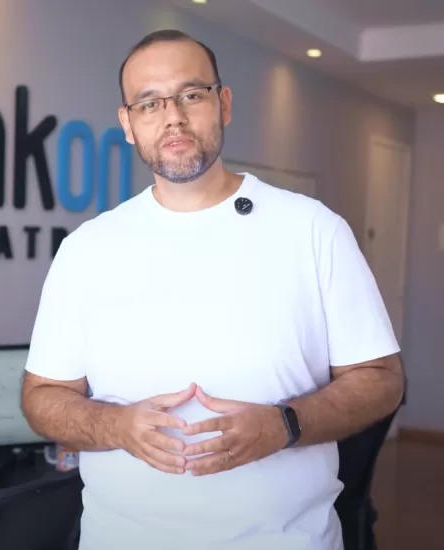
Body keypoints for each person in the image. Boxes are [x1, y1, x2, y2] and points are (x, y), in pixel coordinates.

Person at [21, 29, 404, 550]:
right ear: (128, 125)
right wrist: (116, 427)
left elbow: (380, 379)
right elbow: (42, 398)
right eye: (149, 103)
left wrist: (285, 425)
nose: (172, 117)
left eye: (191, 94)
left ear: (223, 104)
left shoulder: (313, 230)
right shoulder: (87, 249)